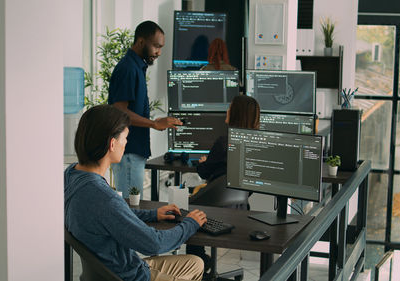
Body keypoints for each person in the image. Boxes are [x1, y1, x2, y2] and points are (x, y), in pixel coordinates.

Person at [65, 105, 208, 281]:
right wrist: (190, 224)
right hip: (130, 277)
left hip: (111, 270)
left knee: (196, 263)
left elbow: (113, 214)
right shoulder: (103, 198)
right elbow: (154, 243)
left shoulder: (72, 175)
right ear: (112, 144)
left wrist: (152, 214)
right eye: (125, 138)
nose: (126, 143)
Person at [108, 20, 182, 199]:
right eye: (156, 46)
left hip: (133, 151)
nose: (159, 52)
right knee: (131, 207)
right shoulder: (128, 69)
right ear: (141, 42)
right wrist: (154, 124)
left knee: (133, 204)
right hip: (128, 151)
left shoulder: (137, 67)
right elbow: (119, 111)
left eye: (161, 47)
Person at [187, 95, 260, 271]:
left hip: (212, 209)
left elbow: (204, 172)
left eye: (230, 108)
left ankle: (199, 264)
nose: (226, 111)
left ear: (236, 114)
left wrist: (203, 162)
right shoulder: (256, 144)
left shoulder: (224, 142)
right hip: (240, 207)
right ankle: (203, 263)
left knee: (187, 211)